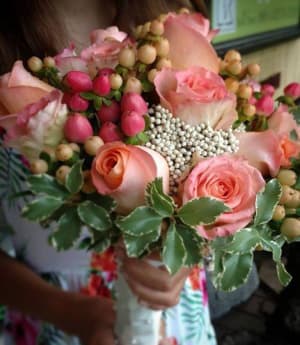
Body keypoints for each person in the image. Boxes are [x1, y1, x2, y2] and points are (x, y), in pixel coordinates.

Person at [0, 1, 216, 344]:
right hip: (53, 319)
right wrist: (66, 312)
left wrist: (189, 253)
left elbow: (217, 172)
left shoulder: (172, 20)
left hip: (177, 319)